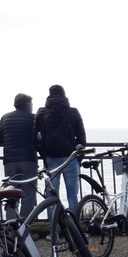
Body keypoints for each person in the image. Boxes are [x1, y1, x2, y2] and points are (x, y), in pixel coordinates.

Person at [34, 84, 86, 213]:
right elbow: (82, 137)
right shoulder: (73, 112)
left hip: (51, 160)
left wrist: (44, 154)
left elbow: (35, 138)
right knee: (72, 196)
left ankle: (54, 231)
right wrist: (78, 158)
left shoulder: (41, 112)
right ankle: (74, 229)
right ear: (64, 95)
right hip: (70, 158)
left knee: (51, 197)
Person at [0, 93, 38, 218]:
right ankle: (24, 231)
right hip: (28, 160)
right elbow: (38, 138)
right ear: (27, 106)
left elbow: (0, 139)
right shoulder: (33, 118)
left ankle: (11, 229)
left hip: (10, 161)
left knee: (11, 195)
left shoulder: (5, 118)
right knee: (28, 195)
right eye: (31, 104)